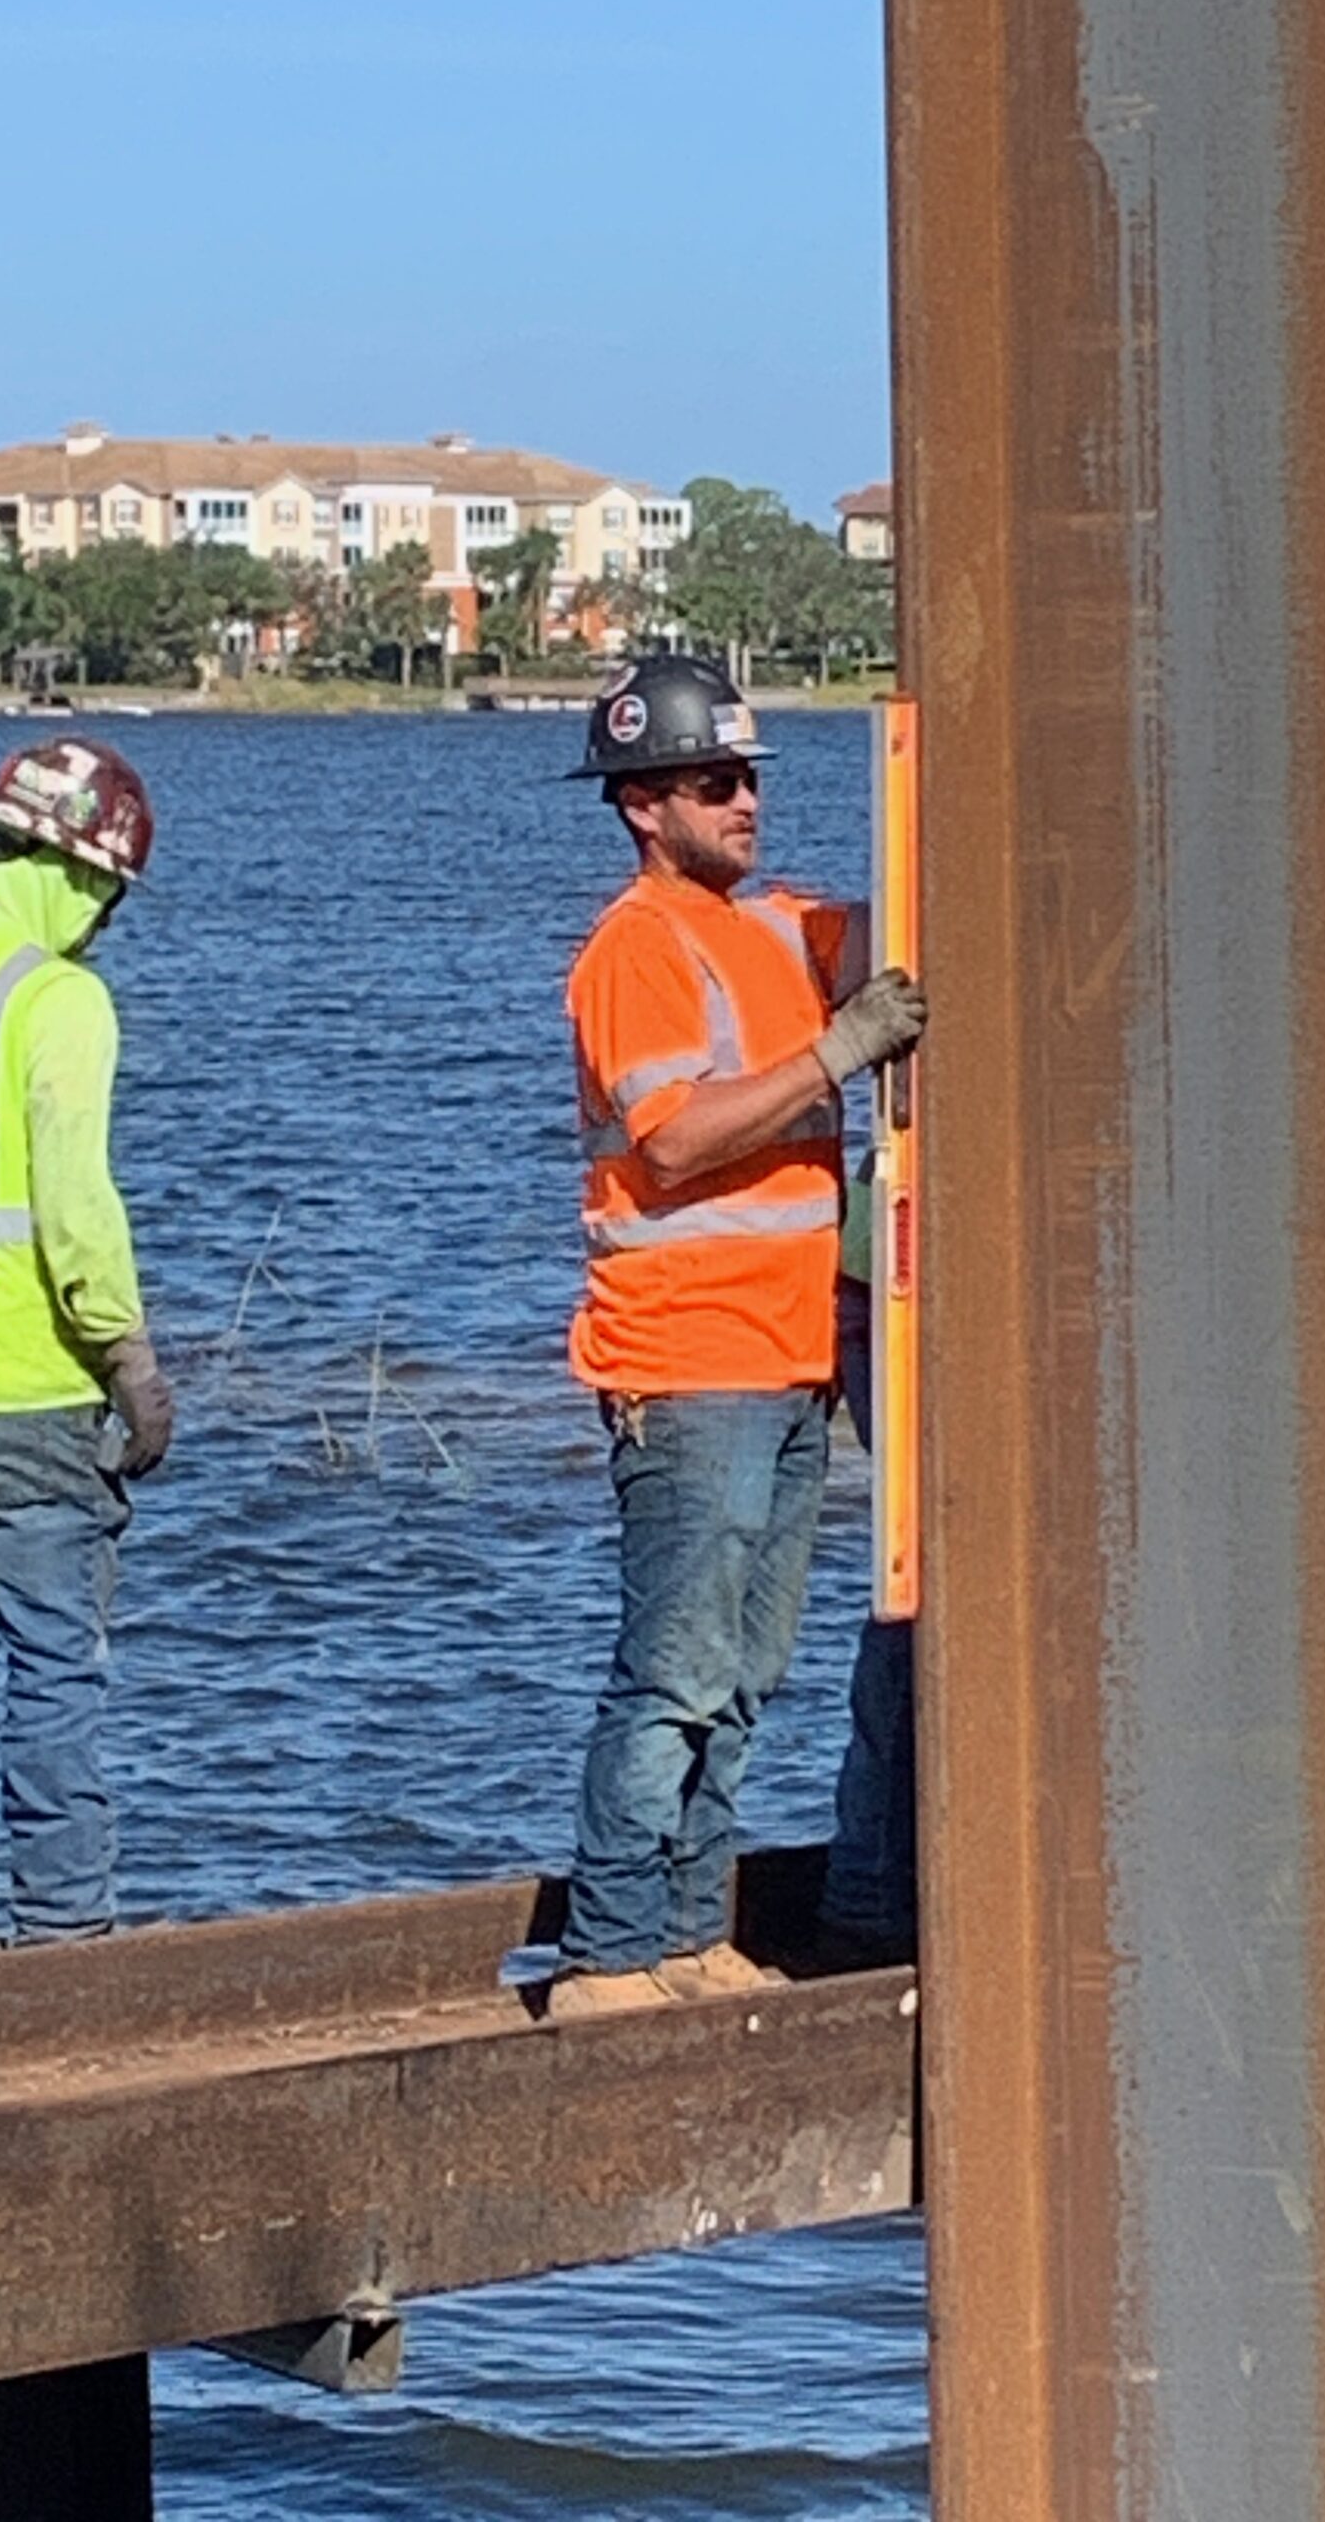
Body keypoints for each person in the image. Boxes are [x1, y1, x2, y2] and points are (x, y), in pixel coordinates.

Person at [550, 657, 927, 2017]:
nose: (745, 802)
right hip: (687, 1363)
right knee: (674, 1671)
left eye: (751, 777)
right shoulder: (636, 951)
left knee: (746, 1675)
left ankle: (691, 1930)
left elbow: (903, 920)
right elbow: (676, 1139)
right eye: (715, 783)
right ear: (643, 805)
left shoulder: (769, 930)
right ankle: (608, 1949)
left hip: (783, 1362)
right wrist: (840, 1053)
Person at [0, 739, 174, 1945]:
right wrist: (130, 1359)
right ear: (86, 874)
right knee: (52, 1668)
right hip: (29, 1393)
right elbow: (73, 1205)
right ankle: (61, 1941)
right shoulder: (56, 998)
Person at [817, 1166, 917, 1966]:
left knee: (918, 1581)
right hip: (898, 1282)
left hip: (881, 1272)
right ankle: (871, 1891)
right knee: (921, 1586)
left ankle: (873, 1884)